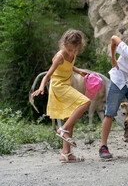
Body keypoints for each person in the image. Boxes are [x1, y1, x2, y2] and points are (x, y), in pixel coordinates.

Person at [32, 29, 91, 163]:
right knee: (85, 102)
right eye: (70, 49)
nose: (72, 53)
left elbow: (68, 66)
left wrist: (79, 71)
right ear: (64, 45)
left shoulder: (72, 54)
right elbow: (48, 75)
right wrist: (41, 87)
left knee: (70, 117)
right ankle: (62, 130)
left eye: (75, 50)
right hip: (58, 86)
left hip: (66, 85)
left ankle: (66, 154)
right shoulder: (59, 56)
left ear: (79, 47)